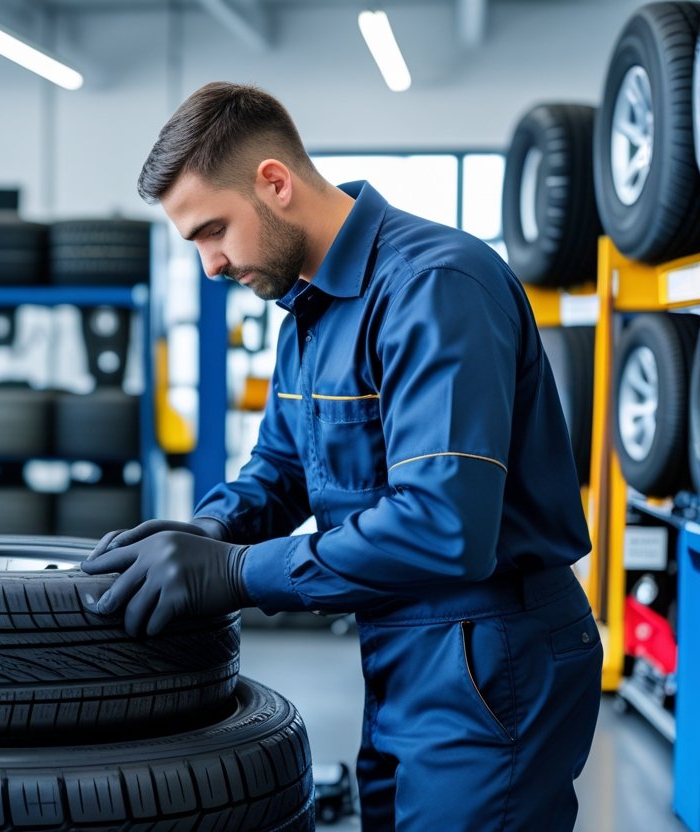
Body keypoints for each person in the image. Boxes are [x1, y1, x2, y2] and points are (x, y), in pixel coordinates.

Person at [82, 81, 602, 830]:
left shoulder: (435, 287)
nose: (210, 265)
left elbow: (443, 527)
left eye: (213, 231)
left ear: (274, 182)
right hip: (399, 646)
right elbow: (283, 470)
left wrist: (234, 574)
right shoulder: (308, 309)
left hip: (492, 653)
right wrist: (207, 532)